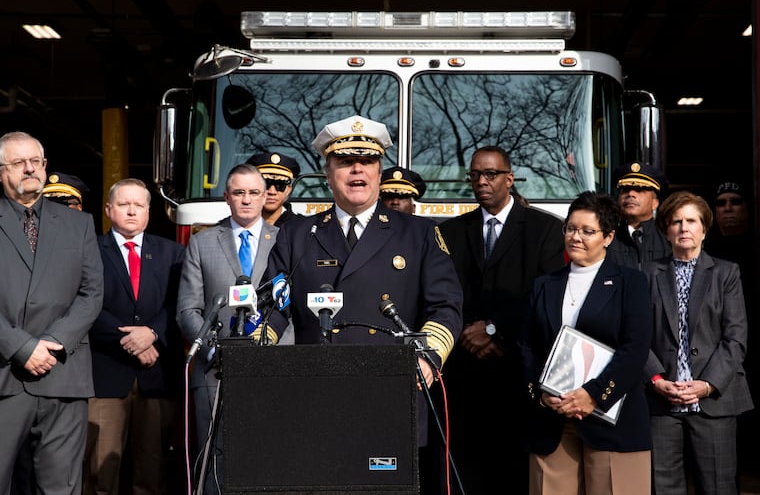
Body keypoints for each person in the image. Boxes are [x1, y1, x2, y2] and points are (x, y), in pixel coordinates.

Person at [262, 114, 462, 481]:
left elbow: (445, 306)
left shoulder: (418, 233)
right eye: (345, 162)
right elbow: (273, 307)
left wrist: (429, 358)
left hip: (393, 390)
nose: (357, 170)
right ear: (328, 172)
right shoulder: (297, 235)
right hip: (315, 395)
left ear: (379, 171)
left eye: (367, 161)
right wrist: (256, 345)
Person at [435, 145, 565, 494]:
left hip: (516, 373)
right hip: (465, 374)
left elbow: (547, 296)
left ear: (510, 178)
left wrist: (496, 330)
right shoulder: (449, 232)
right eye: (475, 175)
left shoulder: (546, 229)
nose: (481, 181)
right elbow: (443, 293)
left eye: (490, 174)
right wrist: (465, 333)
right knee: (466, 471)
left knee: (513, 476)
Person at [518, 191, 653, 494]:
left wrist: (593, 395)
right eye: (570, 228)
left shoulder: (631, 283)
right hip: (550, 422)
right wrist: (540, 393)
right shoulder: (544, 284)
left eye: (587, 231)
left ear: (608, 236)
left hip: (613, 421)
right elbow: (527, 346)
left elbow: (635, 349)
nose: (576, 237)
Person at [0, 131, 104, 494]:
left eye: (37, 161)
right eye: (18, 163)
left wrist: (54, 342)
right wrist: (21, 347)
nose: (30, 169)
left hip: (63, 373)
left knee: (60, 487)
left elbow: (92, 294)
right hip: (4, 374)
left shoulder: (79, 224)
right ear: (1, 172)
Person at [176, 163, 279, 494]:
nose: (246, 200)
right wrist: (213, 350)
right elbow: (188, 310)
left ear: (265, 197)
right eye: (239, 193)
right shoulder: (202, 243)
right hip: (215, 373)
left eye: (253, 193)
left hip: (274, 367)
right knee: (215, 463)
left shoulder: (286, 241)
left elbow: (292, 309)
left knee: (272, 458)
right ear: (226, 197)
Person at [643, 191, 753, 495]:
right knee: (662, 487)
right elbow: (637, 334)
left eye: (691, 221)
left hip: (714, 399)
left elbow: (735, 337)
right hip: (662, 401)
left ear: (704, 228)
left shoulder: (726, 272)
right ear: (666, 230)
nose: (683, 228)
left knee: (718, 486)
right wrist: (656, 380)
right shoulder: (648, 273)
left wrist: (706, 384)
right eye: (676, 222)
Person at [84, 178, 185, 495]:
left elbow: (181, 304)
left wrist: (152, 333)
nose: (131, 211)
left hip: (157, 377)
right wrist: (131, 341)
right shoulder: (89, 251)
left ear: (148, 211)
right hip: (106, 376)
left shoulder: (174, 253)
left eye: (138, 205)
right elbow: (85, 304)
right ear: (108, 209)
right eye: (124, 204)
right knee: (100, 472)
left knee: (152, 474)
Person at [704, 180, 758, 479]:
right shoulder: (707, 253)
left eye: (735, 202)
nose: (728, 209)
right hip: (721, 361)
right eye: (721, 203)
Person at [606, 161, 671, 270]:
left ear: (655, 203)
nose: (631, 194)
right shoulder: (606, 237)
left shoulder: (668, 238)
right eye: (625, 189)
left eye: (639, 190)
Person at [245, 151, 303, 226]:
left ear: (288, 190)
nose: (272, 192)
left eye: (280, 185)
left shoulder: (304, 229)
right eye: (265, 184)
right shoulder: (236, 226)